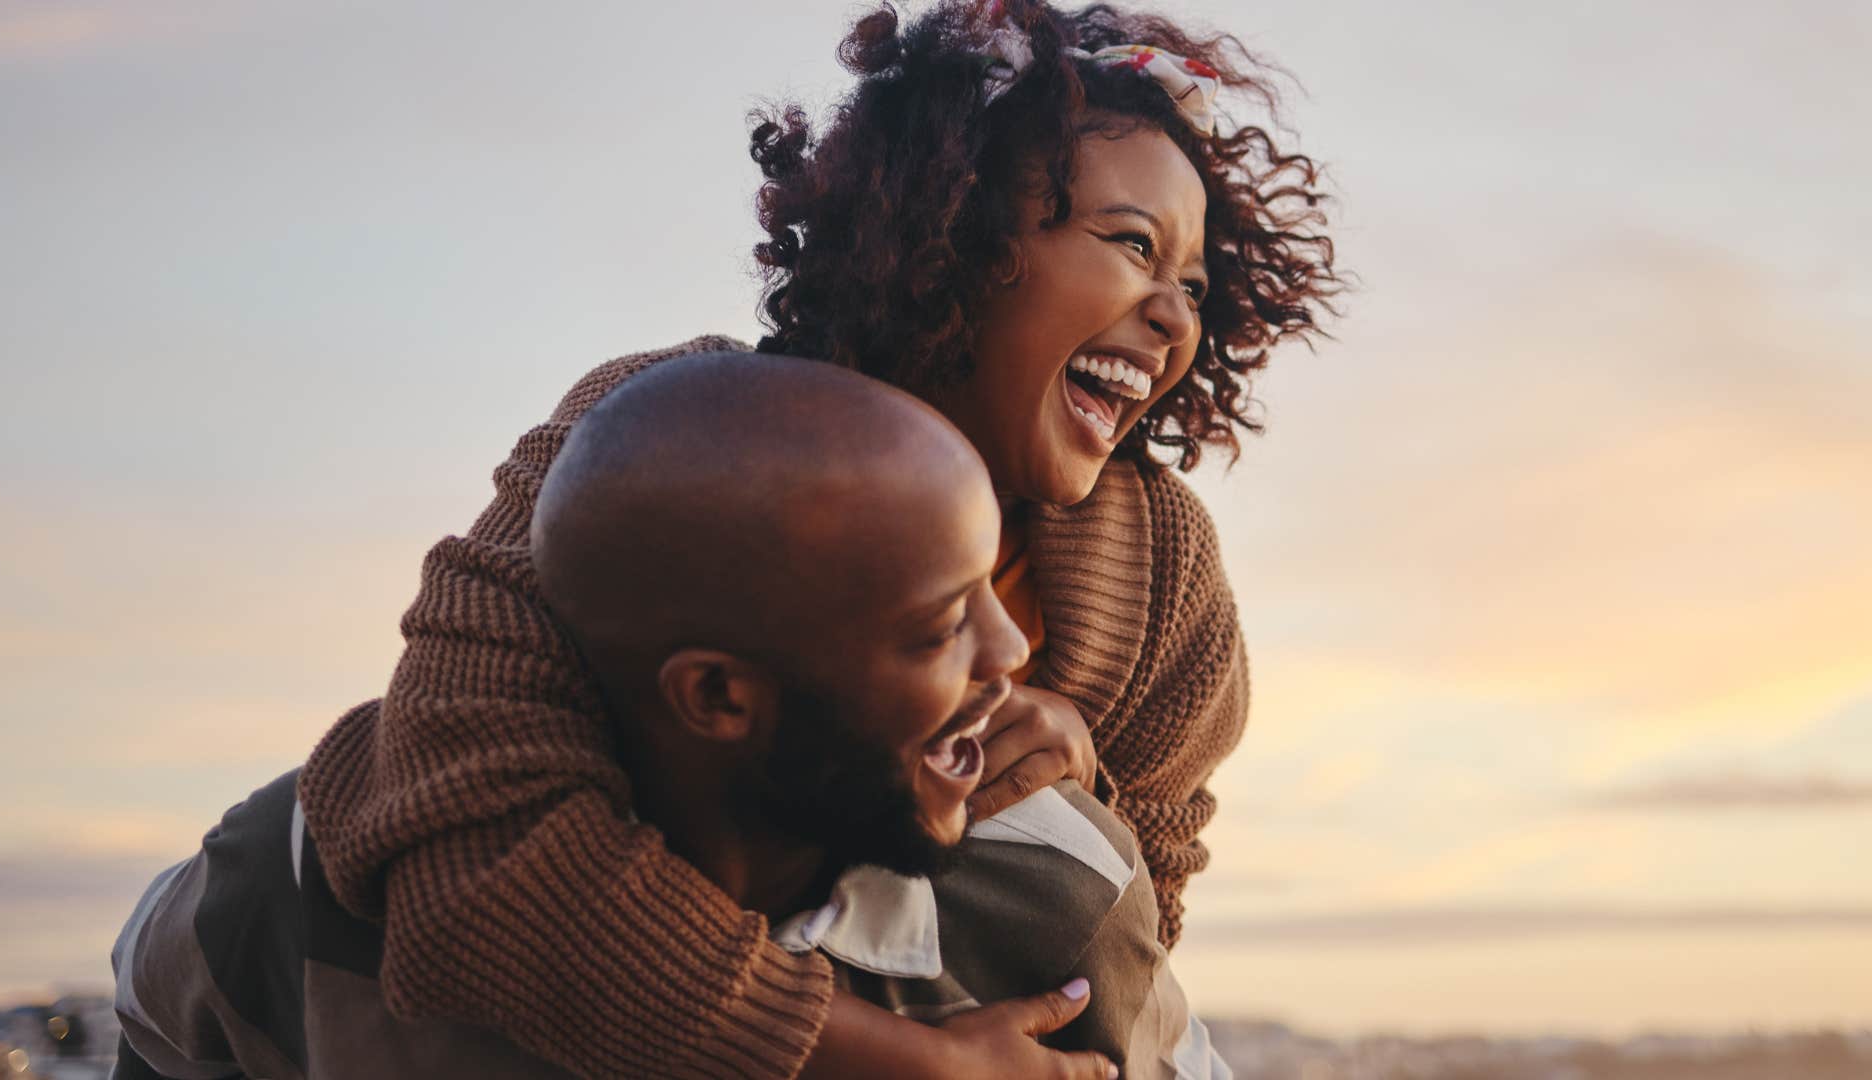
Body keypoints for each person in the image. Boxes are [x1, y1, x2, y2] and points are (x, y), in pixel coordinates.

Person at [298, 1, 1339, 1076]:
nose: (1176, 317)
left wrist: (1083, 780)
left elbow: (1130, 932)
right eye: (1131, 245)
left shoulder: (1163, 570)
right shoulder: (665, 436)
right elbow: (472, 843)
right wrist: (881, 1060)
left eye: (1196, 286)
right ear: (960, 229)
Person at [109, 354, 1222, 1079]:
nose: (1017, 655)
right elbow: (158, 1035)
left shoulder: (1056, 901)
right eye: (939, 628)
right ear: (719, 694)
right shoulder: (292, 879)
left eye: (997, 584)